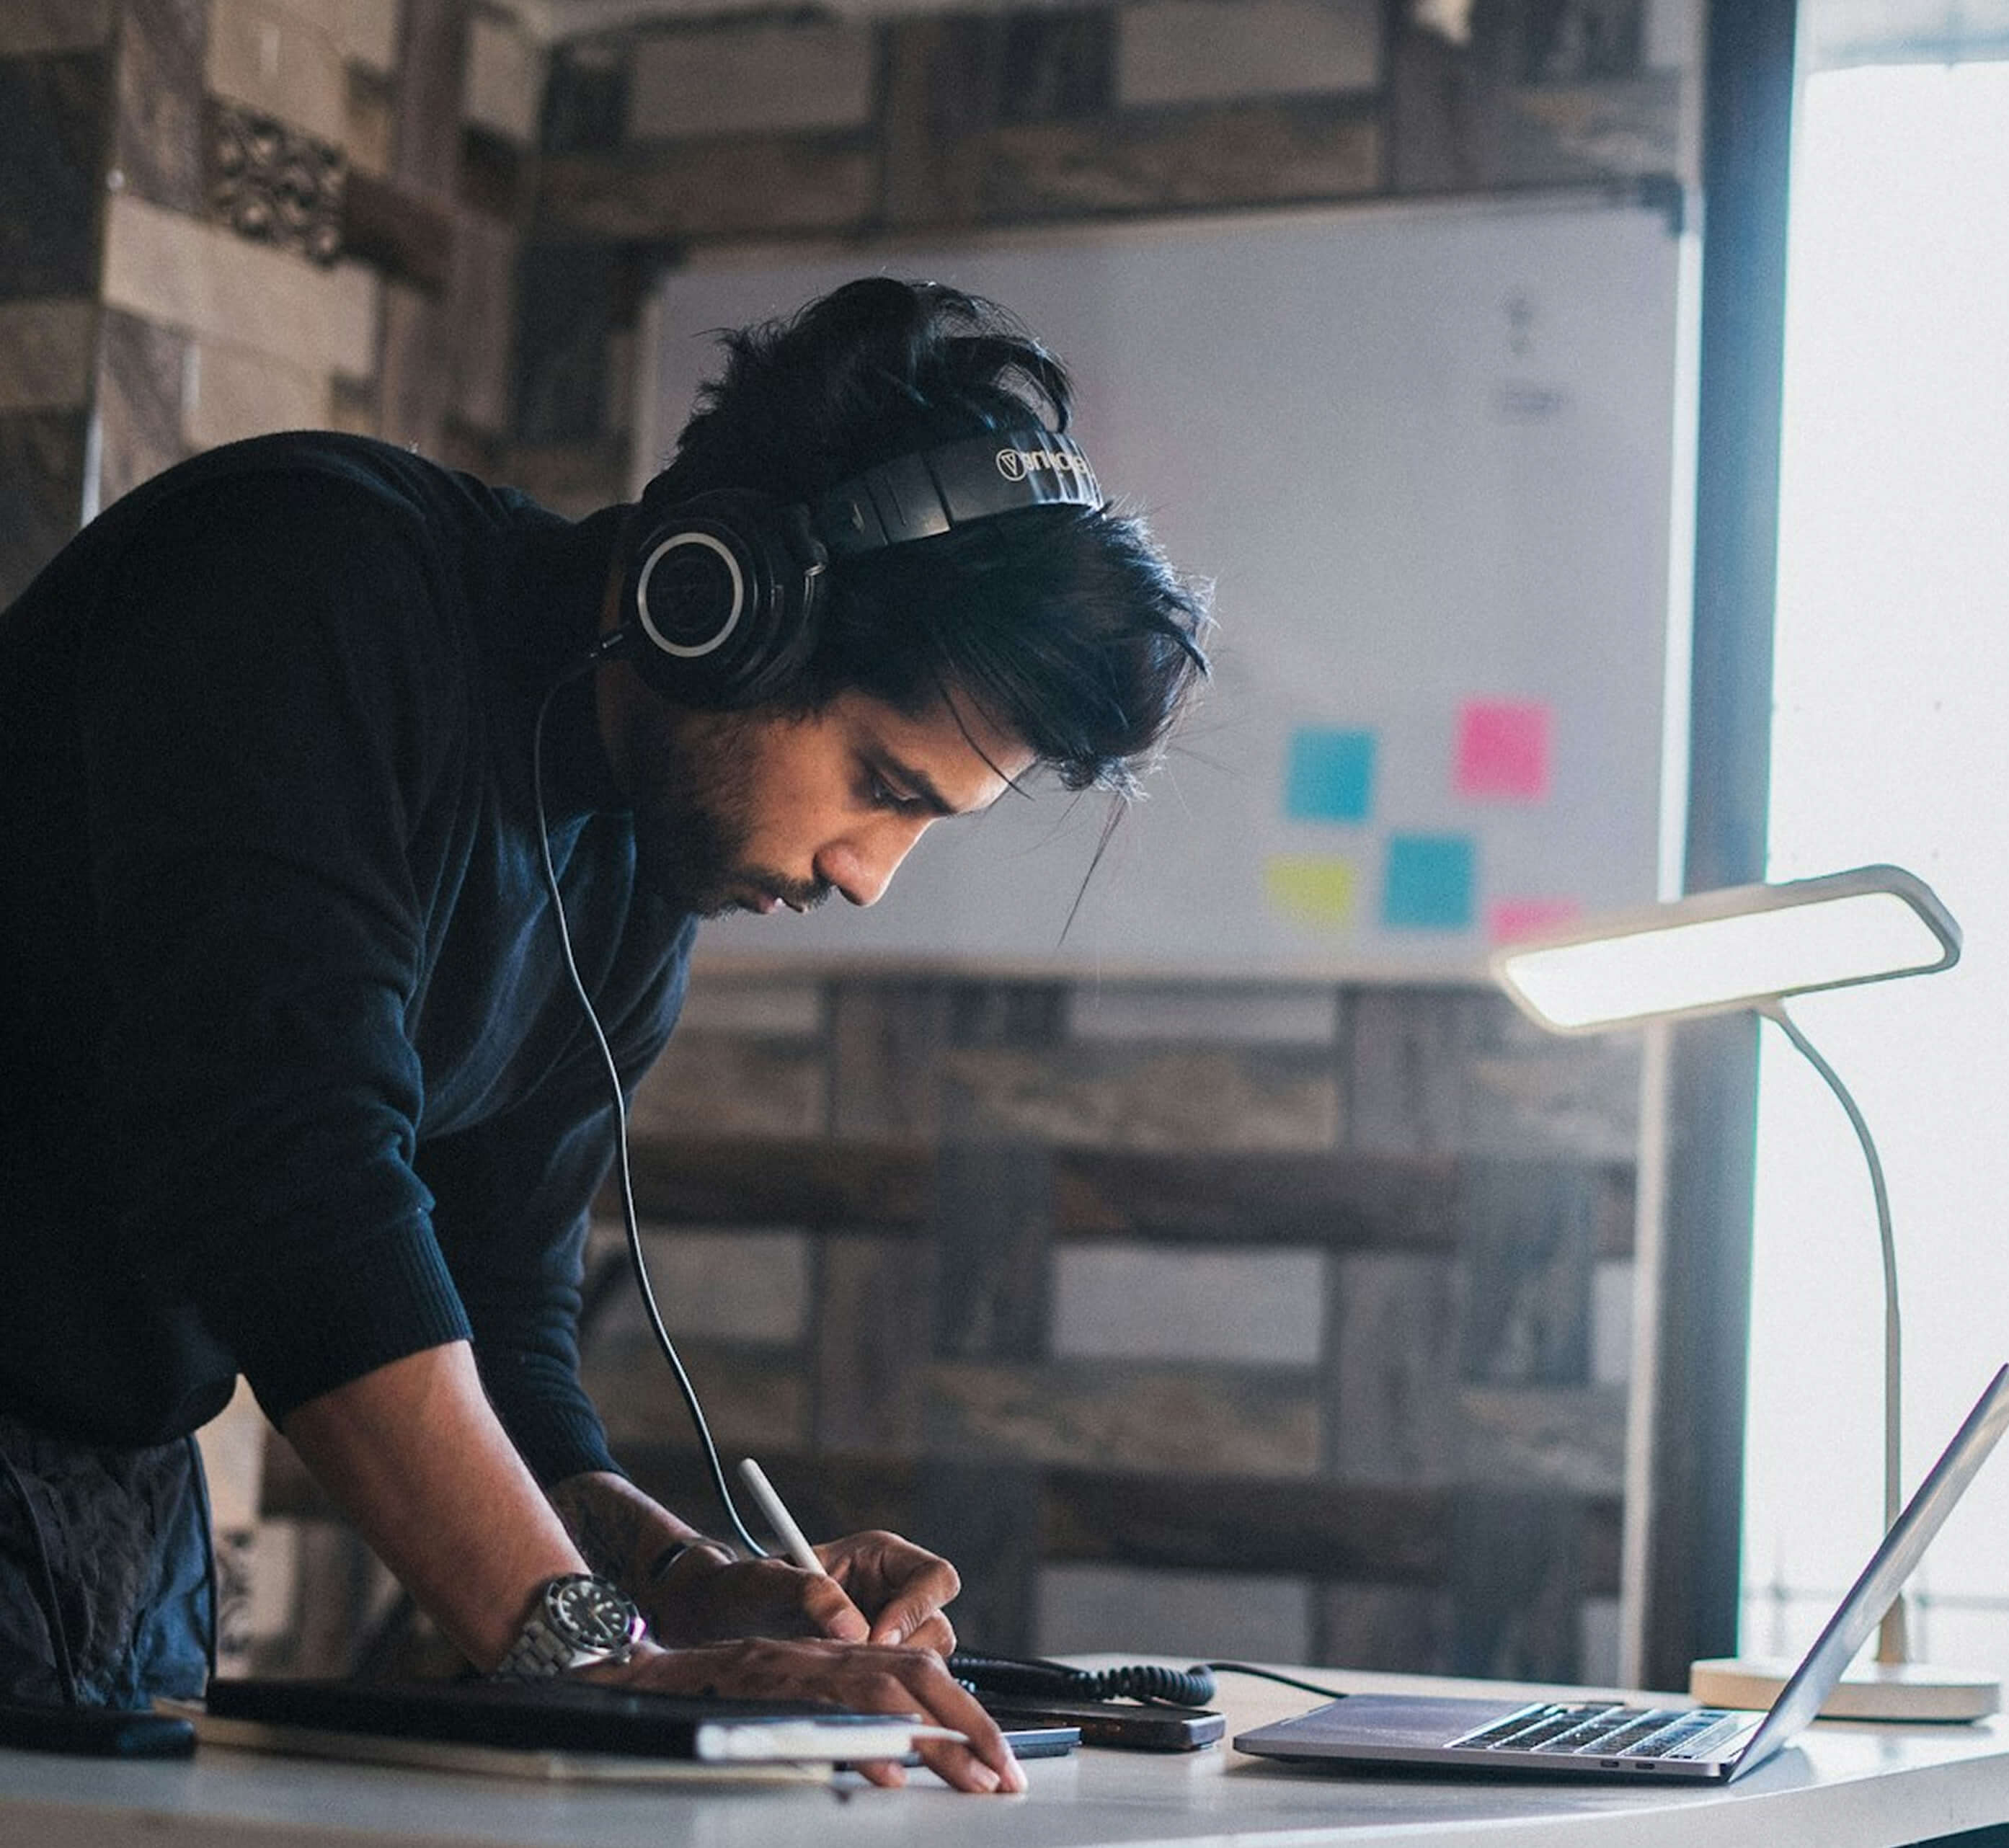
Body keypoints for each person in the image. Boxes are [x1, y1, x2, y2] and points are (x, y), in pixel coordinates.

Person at [0, 277, 1210, 1791]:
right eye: (881, 783)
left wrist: (679, 1579)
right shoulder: (307, 586)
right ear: (726, 604)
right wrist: (598, 1663)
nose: (863, 872)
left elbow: (500, 1307)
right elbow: (286, 1177)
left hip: (114, 1514)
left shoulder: (637, 873)